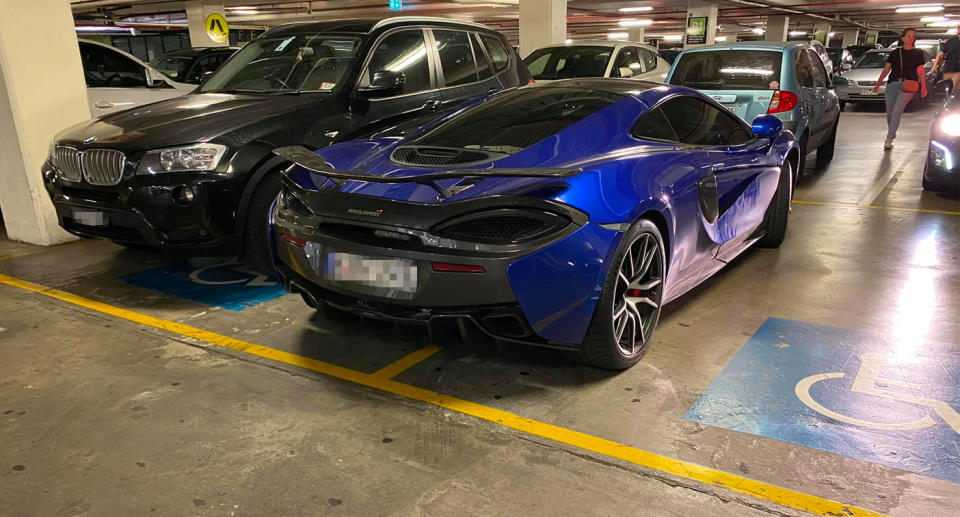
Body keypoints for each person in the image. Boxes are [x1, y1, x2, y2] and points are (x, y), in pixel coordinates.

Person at [874, 27, 928, 150]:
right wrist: (878, 83)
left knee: (897, 112)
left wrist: (923, 87)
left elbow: (920, 71)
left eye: (913, 36)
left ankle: (889, 138)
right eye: (908, 36)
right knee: (890, 113)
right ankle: (892, 132)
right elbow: (886, 69)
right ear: (903, 38)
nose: (911, 38)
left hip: (909, 86)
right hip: (892, 84)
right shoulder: (895, 53)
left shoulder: (918, 53)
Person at [933, 25, 960, 92]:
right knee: (946, 90)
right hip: (948, 70)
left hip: (958, 71)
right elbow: (941, 54)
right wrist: (935, 65)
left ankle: (953, 101)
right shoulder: (951, 41)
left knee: (954, 89)